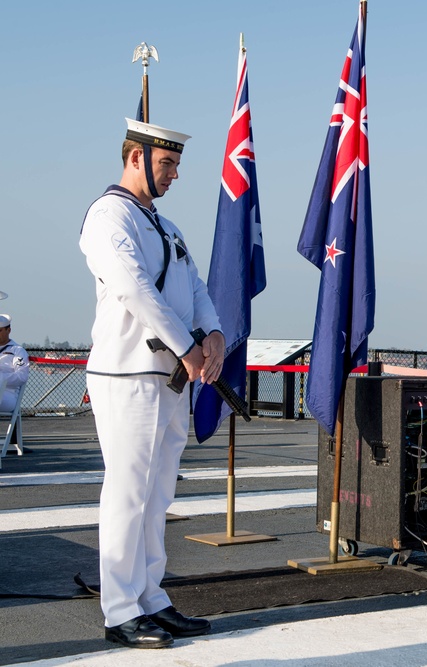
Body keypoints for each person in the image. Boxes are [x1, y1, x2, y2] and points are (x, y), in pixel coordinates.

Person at [79, 117, 226, 649]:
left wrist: (212, 333)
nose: (175, 174)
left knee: (158, 493)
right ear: (135, 157)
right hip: (129, 374)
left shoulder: (165, 225)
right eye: (167, 163)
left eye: (177, 164)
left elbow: (197, 286)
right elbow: (133, 289)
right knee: (127, 491)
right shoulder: (108, 216)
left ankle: (151, 598)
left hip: (170, 378)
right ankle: (120, 610)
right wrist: (189, 348)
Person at [0, 313, 30, 412]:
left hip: (6, 394)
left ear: (9, 330)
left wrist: (1, 377)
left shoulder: (17, 351)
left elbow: (22, 376)